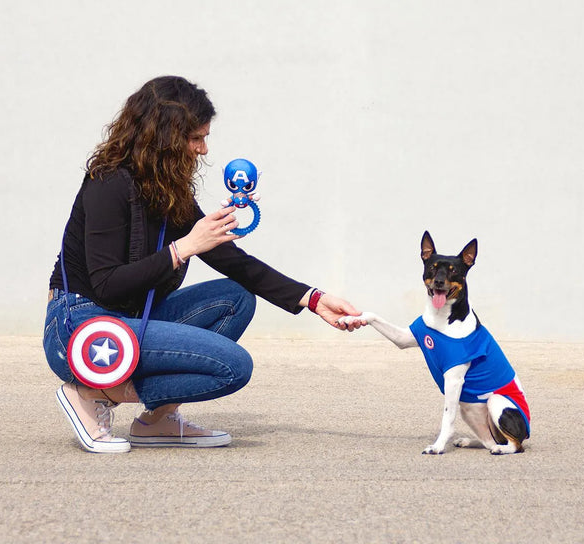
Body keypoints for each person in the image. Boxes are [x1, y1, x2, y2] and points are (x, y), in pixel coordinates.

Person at [43, 75, 365, 454]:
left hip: (131, 316)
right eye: (196, 138)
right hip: (79, 327)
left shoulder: (165, 187)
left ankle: (157, 419)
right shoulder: (107, 183)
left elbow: (232, 261)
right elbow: (107, 285)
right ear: (164, 136)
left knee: (236, 298)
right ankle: (90, 391)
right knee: (232, 367)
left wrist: (312, 299)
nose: (203, 149)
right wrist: (183, 248)